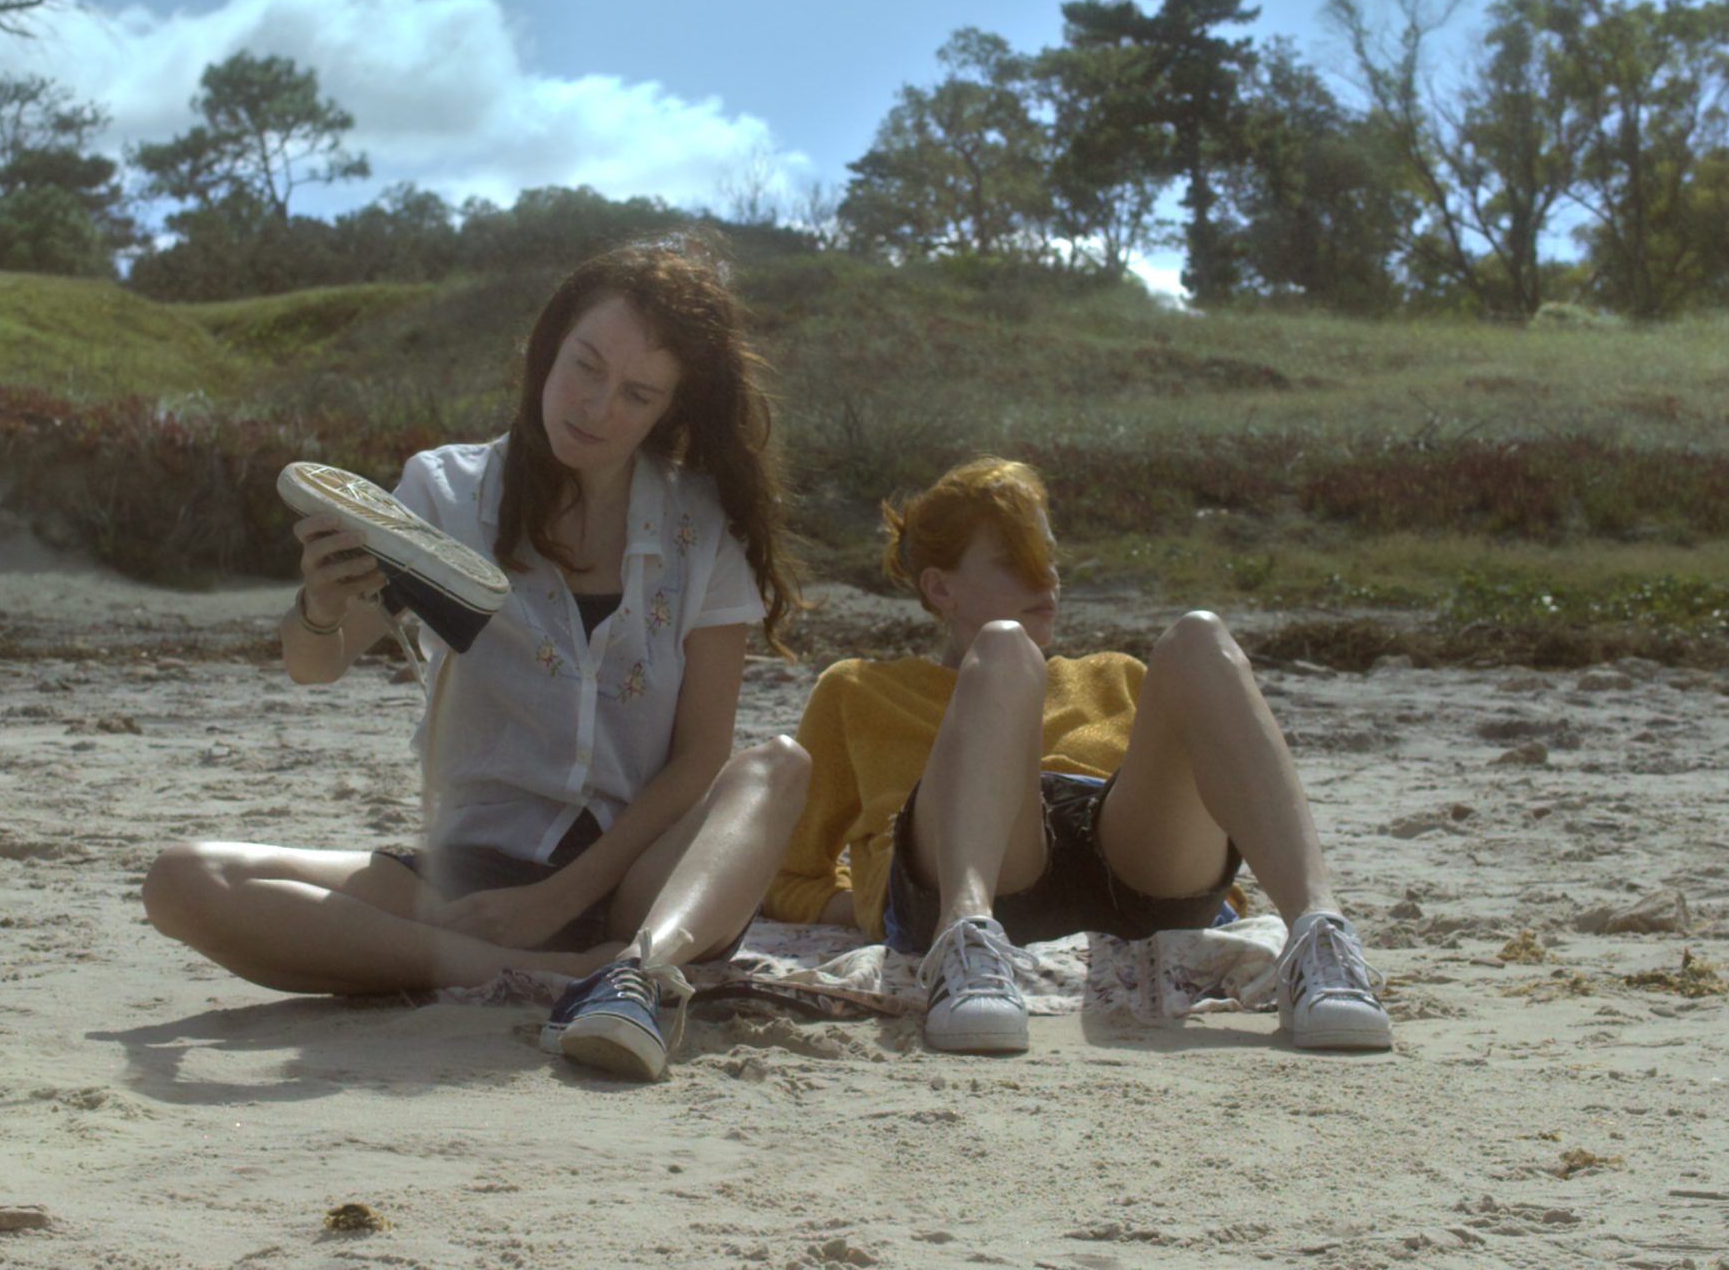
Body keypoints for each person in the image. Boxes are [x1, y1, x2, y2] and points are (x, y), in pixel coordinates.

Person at [144, 237, 810, 1082]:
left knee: (778, 765)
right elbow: (317, 664)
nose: (596, 406)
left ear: (670, 410)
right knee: (182, 879)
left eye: (637, 394)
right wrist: (320, 605)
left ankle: (636, 965)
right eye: (585, 366)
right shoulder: (448, 494)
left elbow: (699, 758)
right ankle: (559, 977)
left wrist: (557, 899)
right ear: (548, 347)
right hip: (473, 879)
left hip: (648, 878)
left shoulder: (700, 524)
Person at [764, 457, 1392, 1055]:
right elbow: (789, 875)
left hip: (1126, 871)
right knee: (1003, 649)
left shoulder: (1115, 676)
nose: (1046, 579)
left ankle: (1320, 933)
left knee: (1199, 635)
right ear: (940, 586)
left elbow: (1191, 811)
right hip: (980, 873)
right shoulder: (861, 690)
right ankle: (966, 938)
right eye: (1015, 561)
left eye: (1050, 557)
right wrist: (869, 901)